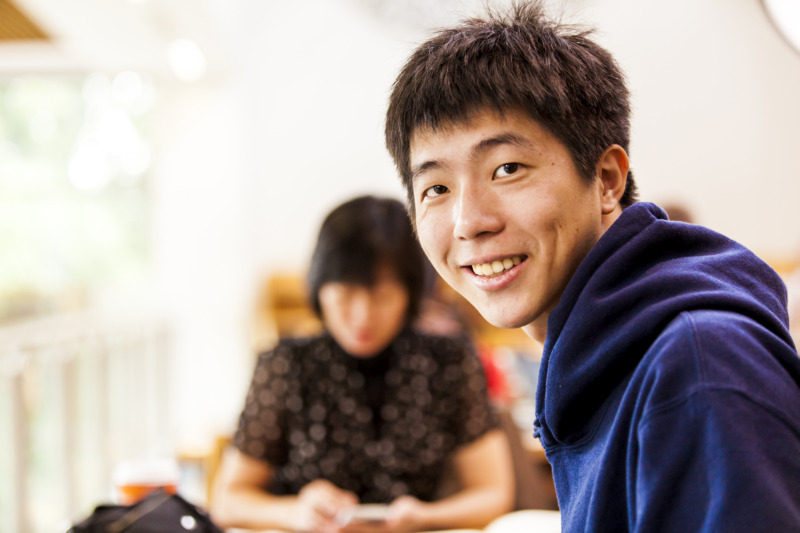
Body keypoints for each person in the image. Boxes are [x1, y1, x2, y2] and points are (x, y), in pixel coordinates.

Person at [384, 2, 800, 531]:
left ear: (606, 179)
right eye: (436, 188)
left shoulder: (698, 367)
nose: (469, 222)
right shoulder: (600, 358)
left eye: (507, 169)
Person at [211, 196, 514, 532]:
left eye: (382, 296)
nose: (362, 317)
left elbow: (493, 493)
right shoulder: (286, 364)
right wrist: (296, 512)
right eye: (344, 294)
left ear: (410, 294)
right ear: (319, 288)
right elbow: (228, 500)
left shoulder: (450, 362)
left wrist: (425, 518)